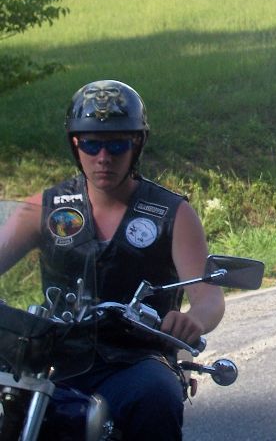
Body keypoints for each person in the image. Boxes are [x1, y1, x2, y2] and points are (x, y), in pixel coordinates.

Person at [0, 80, 224, 440]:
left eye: (117, 144)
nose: (103, 157)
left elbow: (209, 296)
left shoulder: (172, 213)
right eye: (92, 144)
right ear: (76, 145)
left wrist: (193, 319)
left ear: (136, 144)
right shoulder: (44, 208)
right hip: (54, 359)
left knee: (156, 396)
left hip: (137, 359)